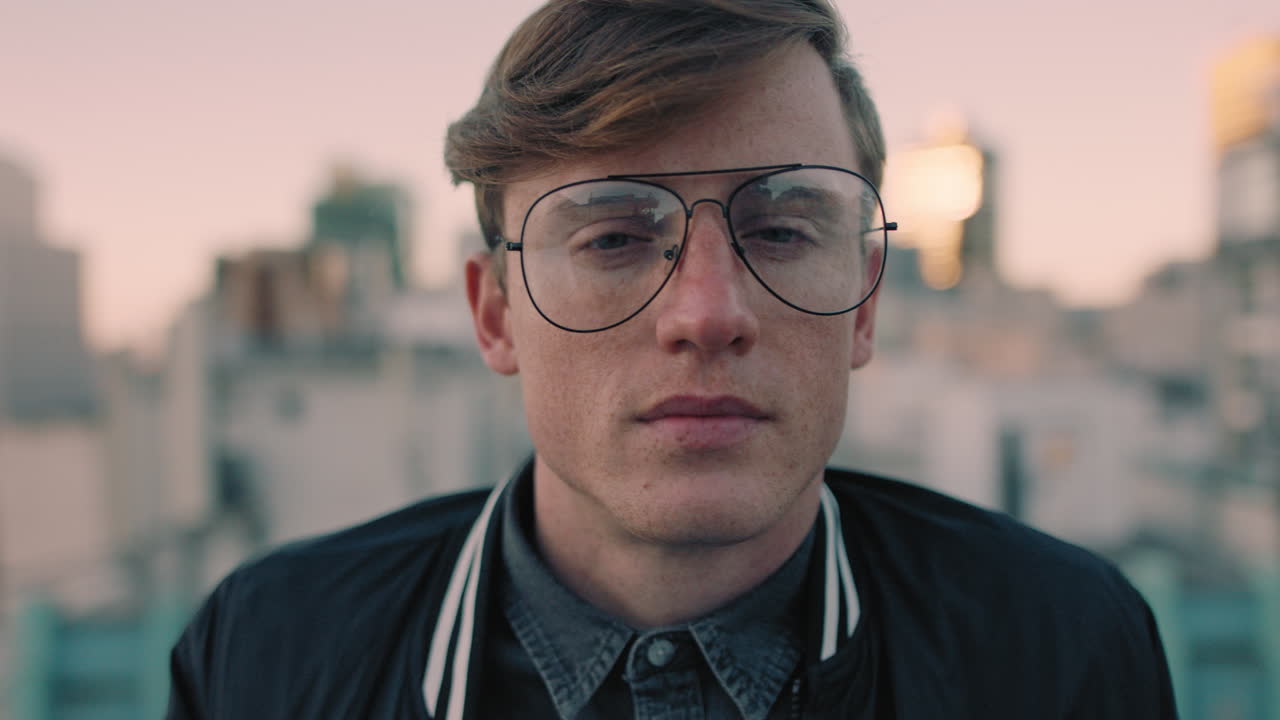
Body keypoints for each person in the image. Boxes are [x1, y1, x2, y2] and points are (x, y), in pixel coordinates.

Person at [166, 1, 1178, 718]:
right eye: (611, 237)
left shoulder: (1062, 650)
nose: (706, 313)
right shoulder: (264, 657)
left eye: (781, 230)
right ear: (495, 316)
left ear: (863, 306)